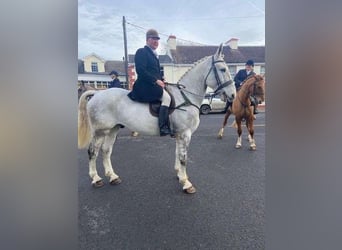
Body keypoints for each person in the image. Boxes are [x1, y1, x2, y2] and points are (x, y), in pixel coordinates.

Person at [128, 29, 172, 136]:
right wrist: (156, 80)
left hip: (152, 85)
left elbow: (154, 72)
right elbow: (141, 71)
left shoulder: (154, 56)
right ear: (147, 40)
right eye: (153, 39)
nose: (156, 41)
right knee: (167, 98)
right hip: (144, 86)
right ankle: (163, 127)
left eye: (157, 39)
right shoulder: (141, 52)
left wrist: (161, 79)